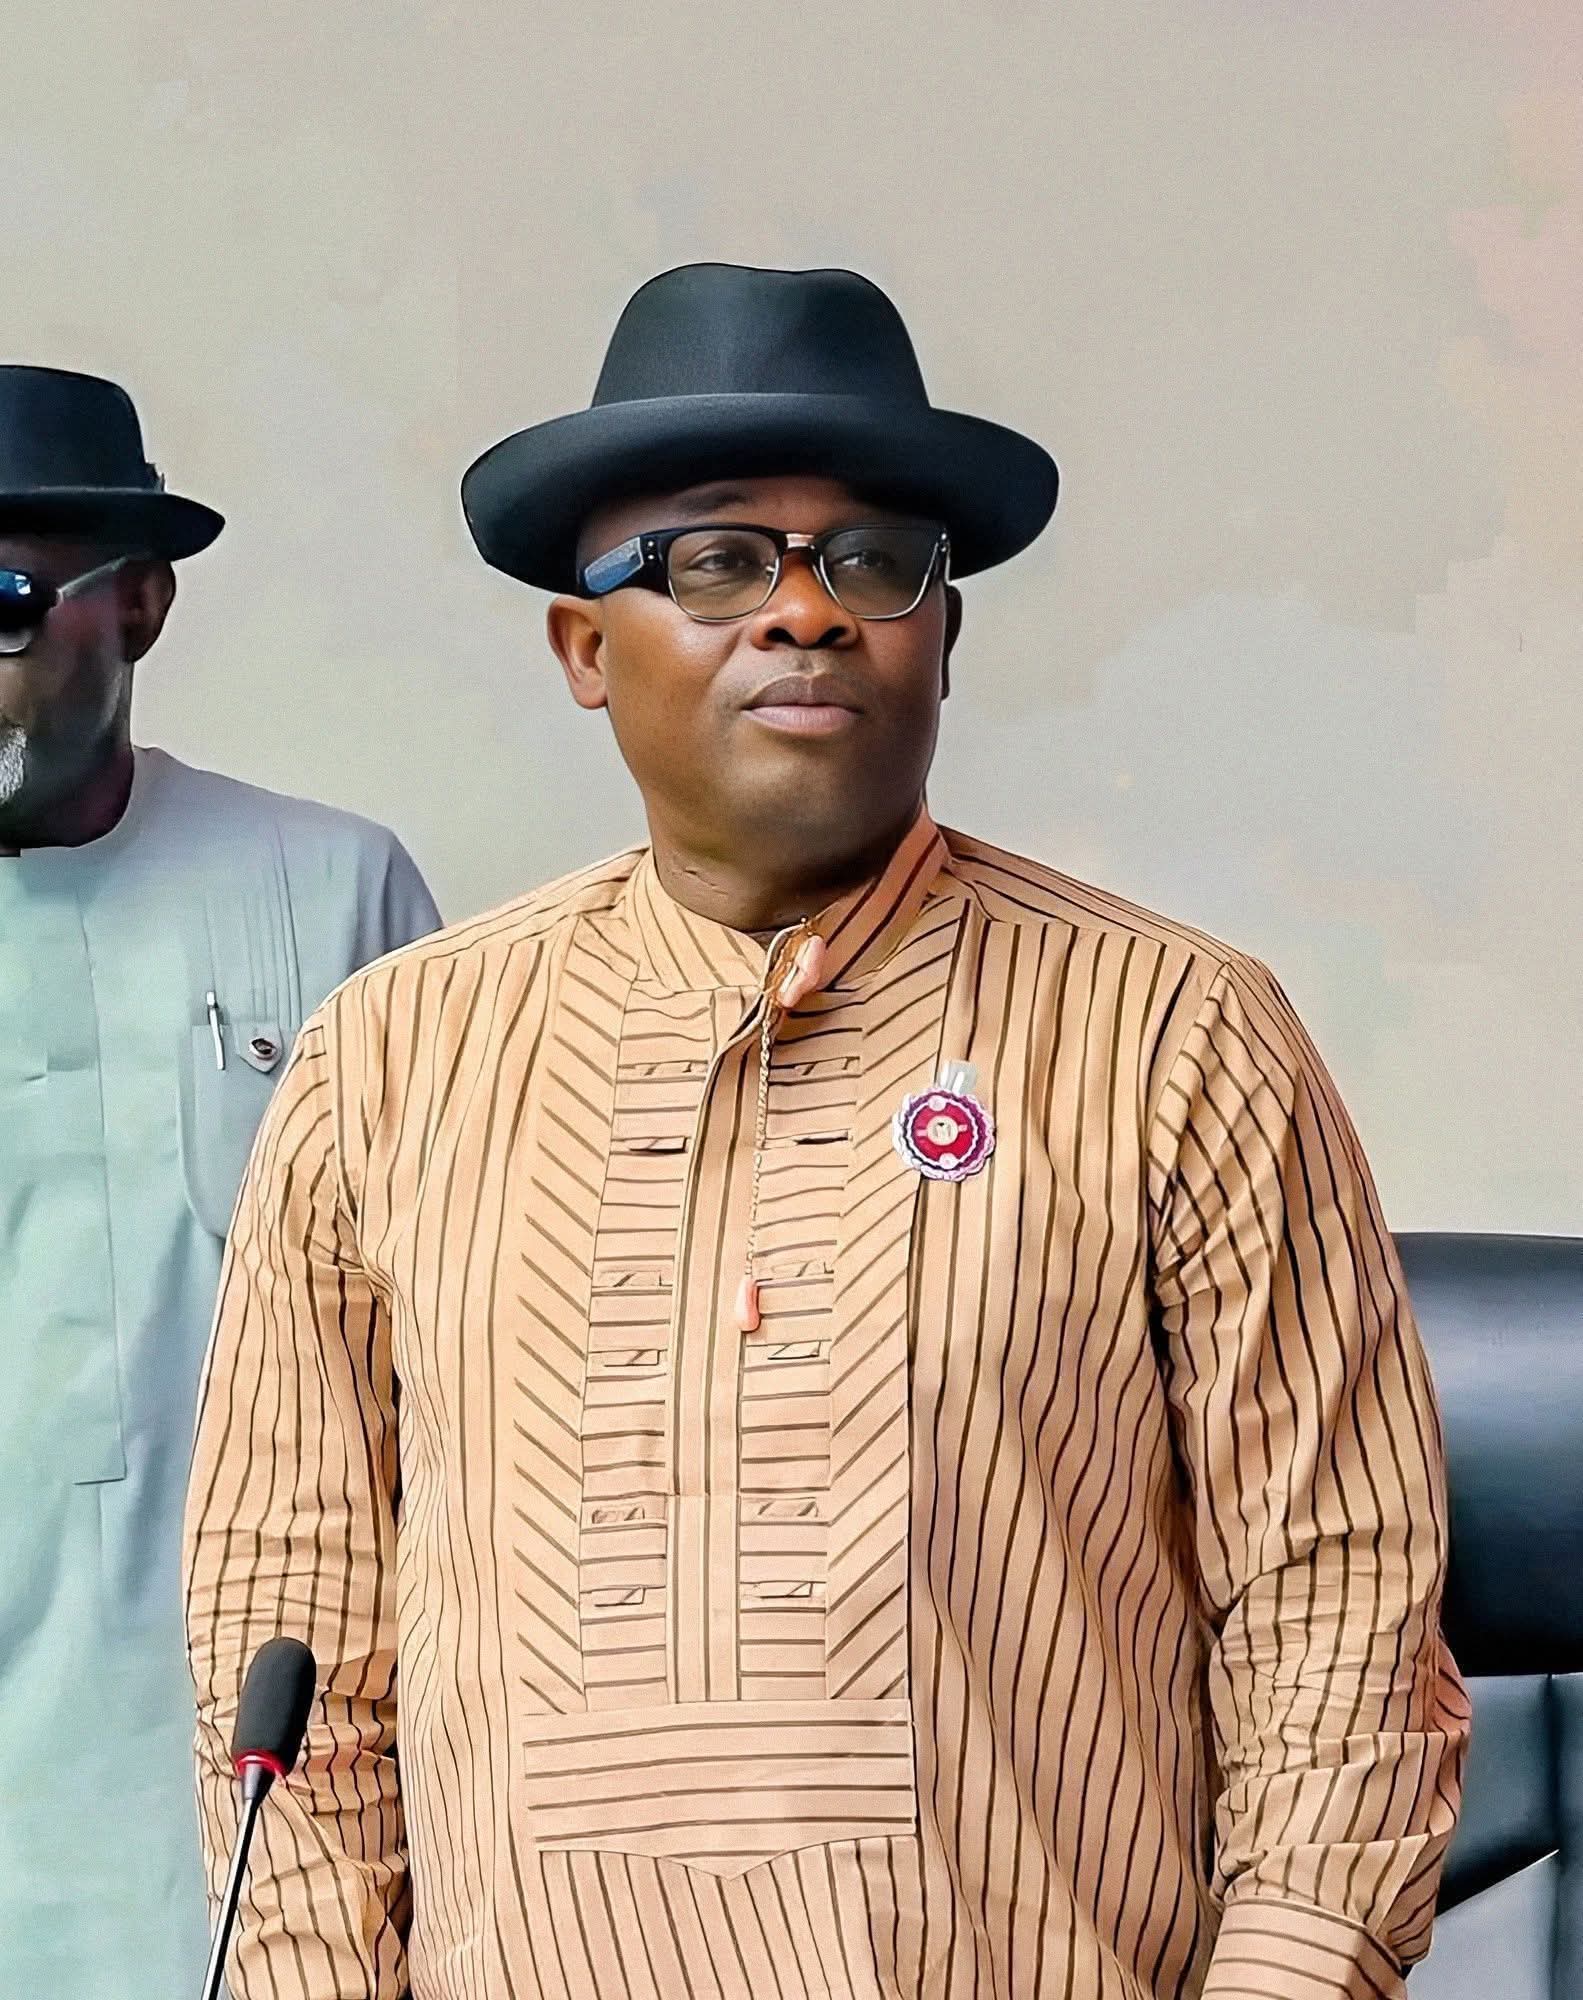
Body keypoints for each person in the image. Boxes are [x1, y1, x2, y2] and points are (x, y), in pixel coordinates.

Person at [185, 265, 1467, 2000]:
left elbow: (1339, 1614)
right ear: (585, 649)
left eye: (872, 562)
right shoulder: (391, 1065)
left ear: (945, 634)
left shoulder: (1175, 1035)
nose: (806, 612)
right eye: (716, 560)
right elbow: (289, 1638)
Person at [0, 364, 441, 1998]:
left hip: (272, 1825)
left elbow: (453, 1379)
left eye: (4, 601)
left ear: (142, 603)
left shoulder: (331, 891)